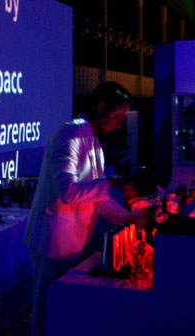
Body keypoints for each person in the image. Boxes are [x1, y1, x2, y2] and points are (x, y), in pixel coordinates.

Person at [23, 81, 133, 336]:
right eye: (118, 117)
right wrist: (113, 181)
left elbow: (98, 199)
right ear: (101, 107)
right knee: (46, 317)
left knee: (60, 313)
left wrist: (130, 218)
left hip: (70, 244)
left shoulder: (94, 142)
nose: (119, 125)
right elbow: (69, 191)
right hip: (53, 242)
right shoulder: (69, 133)